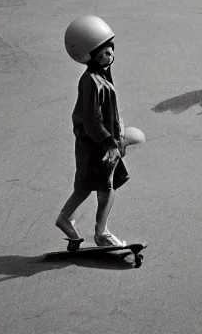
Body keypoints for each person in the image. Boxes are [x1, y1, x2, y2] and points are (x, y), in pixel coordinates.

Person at [57, 15, 145, 247]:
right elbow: (91, 119)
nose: (110, 54)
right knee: (102, 187)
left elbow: (112, 113)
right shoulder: (91, 82)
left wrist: (121, 132)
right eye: (103, 52)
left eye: (110, 49)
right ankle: (100, 233)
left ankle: (67, 219)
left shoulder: (101, 77)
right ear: (89, 54)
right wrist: (109, 143)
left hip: (103, 144)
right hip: (96, 145)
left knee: (91, 186)